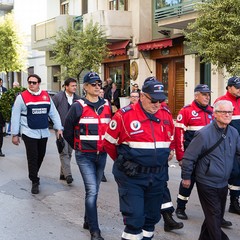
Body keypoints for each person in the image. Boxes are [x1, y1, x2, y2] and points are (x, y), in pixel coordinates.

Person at [104, 77, 175, 240]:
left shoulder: (165, 113)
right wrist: (122, 161)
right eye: (154, 100)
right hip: (132, 177)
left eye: (161, 100)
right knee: (135, 219)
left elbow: (171, 137)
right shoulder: (124, 115)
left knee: (151, 219)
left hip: (157, 176)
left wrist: (168, 151)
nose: (157, 104)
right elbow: (108, 143)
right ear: (142, 96)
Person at [181, 100, 240, 240]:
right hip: (207, 181)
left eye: (230, 112)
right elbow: (189, 157)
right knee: (214, 215)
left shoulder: (233, 132)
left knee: (215, 216)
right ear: (215, 114)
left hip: (223, 182)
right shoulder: (203, 134)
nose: (227, 115)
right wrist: (186, 177)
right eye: (223, 112)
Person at [63, 71, 111, 240]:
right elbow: (67, 130)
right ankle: (95, 232)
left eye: (99, 84)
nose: (98, 87)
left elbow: (111, 128)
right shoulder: (78, 106)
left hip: (102, 155)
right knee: (92, 191)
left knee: (94, 190)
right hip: (85, 156)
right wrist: (78, 147)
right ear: (85, 87)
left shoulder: (106, 104)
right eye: (94, 84)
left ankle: (87, 220)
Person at [11, 74, 63, 194]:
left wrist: (59, 128)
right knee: (33, 156)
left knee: (41, 155)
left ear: (39, 83)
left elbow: (53, 113)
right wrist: (15, 134)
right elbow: (15, 115)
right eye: (29, 82)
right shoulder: (21, 97)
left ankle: (33, 173)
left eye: (34, 82)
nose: (31, 84)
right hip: (28, 132)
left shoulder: (46, 96)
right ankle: (34, 180)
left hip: (43, 132)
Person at [174, 84, 214, 219]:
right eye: (204, 94)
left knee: (211, 185)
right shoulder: (186, 111)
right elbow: (179, 135)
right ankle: (180, 207)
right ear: (196, 95)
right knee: (187, 183)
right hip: (191, 157)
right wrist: (180, 157)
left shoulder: (212, 111)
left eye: (208, 94)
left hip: (209, 158)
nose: (207, 97)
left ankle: (214, 213)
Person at [214, 76, 240, 215]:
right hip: (227, 145)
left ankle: (234, 202)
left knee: (238, 174)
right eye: (237, 87)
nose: (239, 89)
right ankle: (218, 208)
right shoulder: (222, 102)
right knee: (230, 173)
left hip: (238, 145)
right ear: (229, 87)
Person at [52, 78, 80, 184]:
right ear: (66, 86)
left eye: (75, 85)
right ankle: (68, 175)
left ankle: (62, 173)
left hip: (73, 130)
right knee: (64, 152)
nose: (75, 87)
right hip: (61, 128)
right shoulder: (58, 97)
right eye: (72, 85)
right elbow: (52, 112)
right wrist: (57, 127)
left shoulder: (78, 98)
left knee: (69, 152)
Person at [0, 78, 7, 157]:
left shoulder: (4, 90)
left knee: (0, 134)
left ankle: (0, 150)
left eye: (1, 82)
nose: (1, 83)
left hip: (1, 115)